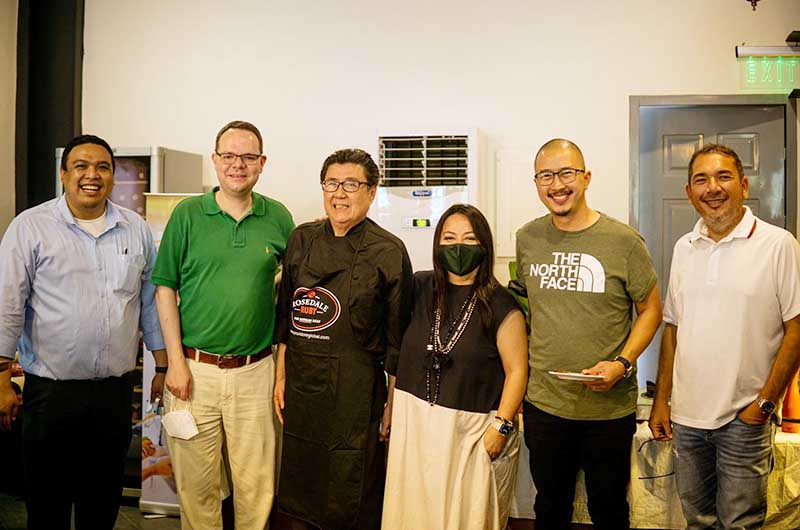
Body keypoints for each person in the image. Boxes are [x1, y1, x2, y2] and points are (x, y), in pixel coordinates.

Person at [0, 134, 167, 530]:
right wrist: (2, 379)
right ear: (63, 174)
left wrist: (162, 367)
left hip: (113, 393)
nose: (92, 175)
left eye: (102, 167)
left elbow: (149, 304)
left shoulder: (135, 229)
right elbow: (8, 304)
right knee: (47, 505)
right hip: (50, 395)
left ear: (112, 176)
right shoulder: (31, 227)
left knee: (102, 503)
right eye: (81, 166)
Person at [649, 144, 800, 530]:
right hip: (687, 420)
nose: (712, 188)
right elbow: (673, 327)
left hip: (743, 419)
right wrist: (662, 400)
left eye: (723, 177)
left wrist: (764, 404)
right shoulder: (685, 248)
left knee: (739, 524)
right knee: (697, 522)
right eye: (701, 180)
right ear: (689, 192)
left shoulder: (778, 244)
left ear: (744, 186)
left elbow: (796, 329)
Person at [513, 138, 662, 530]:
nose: (557, 184)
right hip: (545, 403)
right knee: (550, 509)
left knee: (609, 510)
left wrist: (622, 363)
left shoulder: (624, 241)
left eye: (566, 173)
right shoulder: (527, 239)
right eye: (546, 175)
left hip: (608, 409)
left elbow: (651, 311)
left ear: (586, 177)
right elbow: (530, 312)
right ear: (536, 183)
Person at [152, 120, 294, 529]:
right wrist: (175, 364)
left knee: (257, 488)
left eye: (248, 157)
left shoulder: (278, 217)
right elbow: (164, 288)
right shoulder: (188, 215)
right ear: (215, 160)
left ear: (262, 163)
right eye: (229, 156)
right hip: (194, 373)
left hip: (256, 373)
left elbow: (294, 292)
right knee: (198, 490)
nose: (238, 165)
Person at [273, 148, 413, 530]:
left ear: (372, 191)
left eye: (351, 184)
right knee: (301, 487)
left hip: (356, 392)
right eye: (331, 183)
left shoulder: (388, 251)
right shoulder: (301, 239)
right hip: (303, 386)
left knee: (351, 490)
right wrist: (280, 375)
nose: (339, 193)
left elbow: (397, 340)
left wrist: (392, 404)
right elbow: (286, 316)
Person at [382, 204, 528, 530]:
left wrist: (501, 428)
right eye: (449, 238)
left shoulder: (501, 304)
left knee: (461, 516)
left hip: (469, 431)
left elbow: (518, 370)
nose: (458, 246)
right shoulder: (419, 288)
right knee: (411, 513)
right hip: (414, 423)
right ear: (437, 244)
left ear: (484, 246)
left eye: (469, 238)